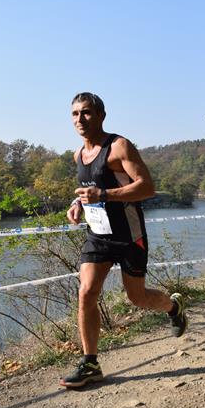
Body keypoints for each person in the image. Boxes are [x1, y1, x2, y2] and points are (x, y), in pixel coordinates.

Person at [60, 92, 187, 388]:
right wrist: (77, 204)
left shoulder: (119, 147)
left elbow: (147, 187)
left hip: (130, 236)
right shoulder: (78, 155)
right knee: (86, 292)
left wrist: (104, 195)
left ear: (101, 115)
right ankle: (90, 363)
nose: (80, 119)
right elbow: (90, 189)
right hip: (98, 236)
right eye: (75, 114)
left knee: (137, 297)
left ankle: (173, 308)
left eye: (86, 112)